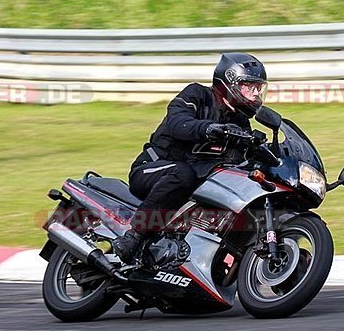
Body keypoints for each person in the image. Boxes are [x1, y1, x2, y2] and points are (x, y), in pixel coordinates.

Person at [112, 52, 268, 263]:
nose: (255, 94)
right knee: (184, 174)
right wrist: (210, 128)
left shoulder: (240, 122)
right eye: (249, 86)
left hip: (192, 180)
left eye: (259, 88)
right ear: (230, 82)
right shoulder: (196, 94)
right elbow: (177, 123)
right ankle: (135, 235)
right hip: (153, 168)